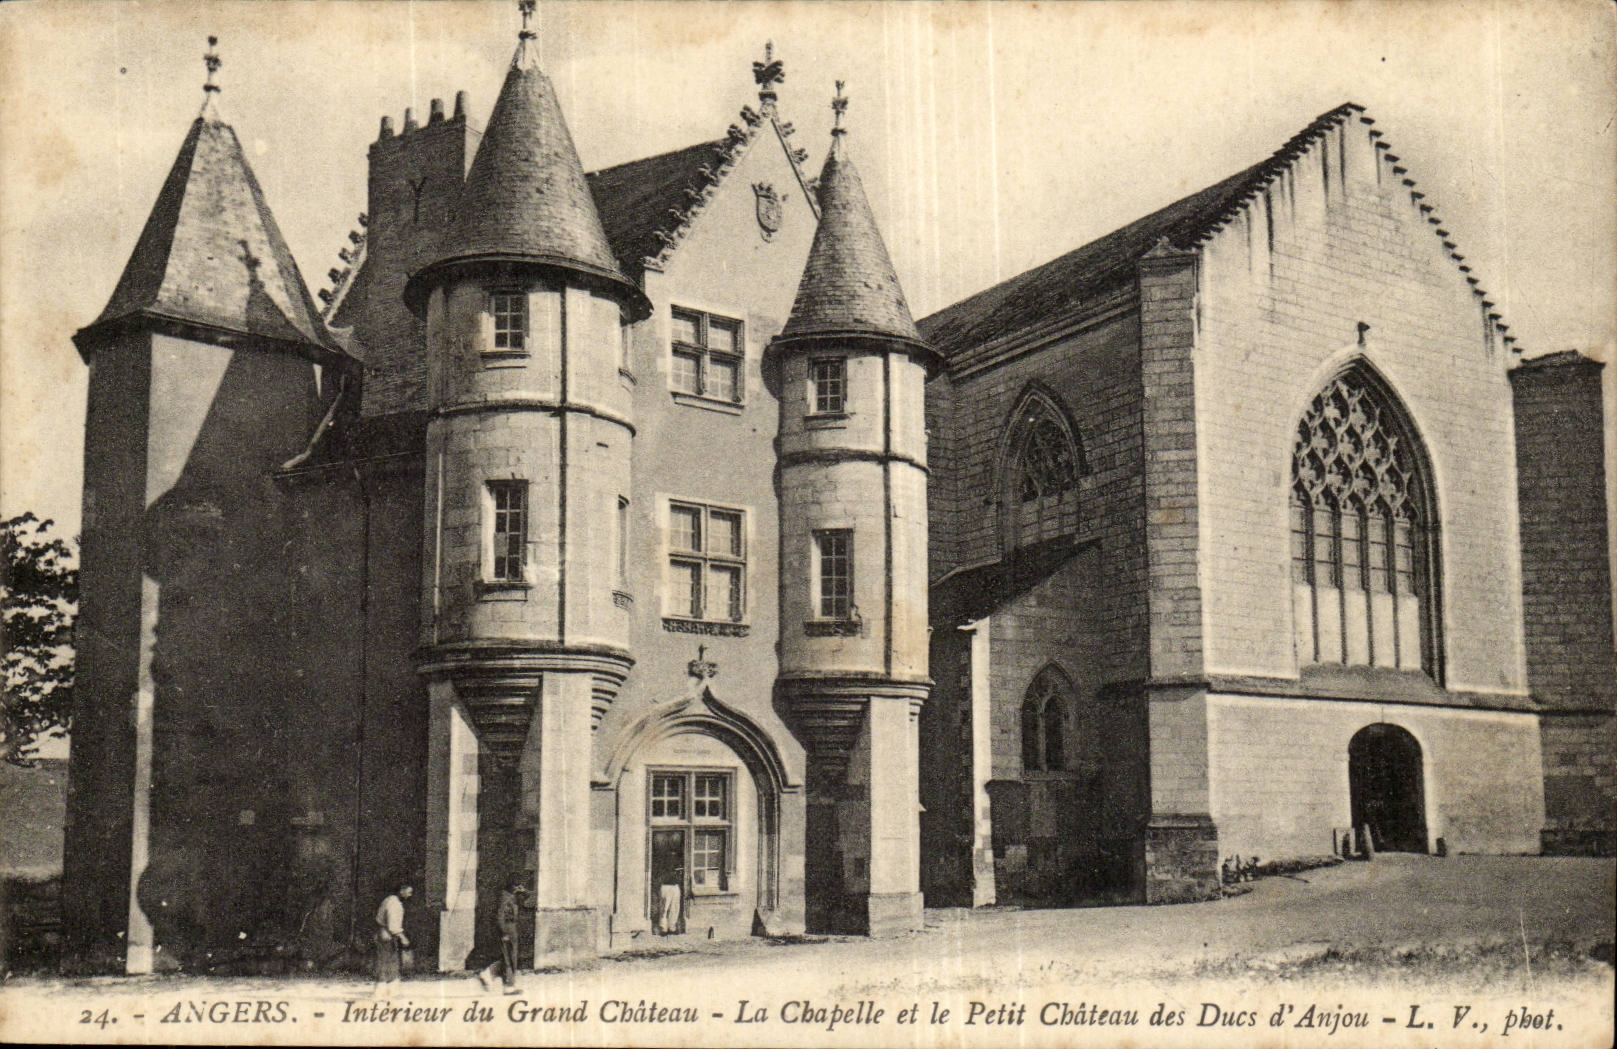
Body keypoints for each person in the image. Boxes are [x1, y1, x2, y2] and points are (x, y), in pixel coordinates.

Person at [479, 878, 527, 995]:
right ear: (511, 886)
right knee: (509, 958)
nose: (518, 888)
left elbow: (526, 898)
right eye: (516, 885)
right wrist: (504, 932)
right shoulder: (505, 897)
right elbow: (500, 915)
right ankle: (508, 986)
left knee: (509, 957)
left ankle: (488, 974)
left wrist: (523, 892)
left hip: (511, 928)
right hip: (507, 928)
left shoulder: (511, 896)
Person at [373, 882, 412, 998]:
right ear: (401, 890)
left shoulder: (389, 900)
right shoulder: (394, 904)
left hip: (383, 934)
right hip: (386, 935)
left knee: (388, 963)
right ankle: (380, 993)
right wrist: (403, 937)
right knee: (386, 963)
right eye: (409, 892)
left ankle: (389, 992)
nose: (410, 895)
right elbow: (393, 925)